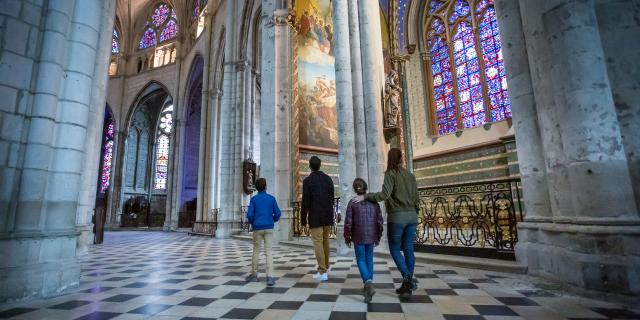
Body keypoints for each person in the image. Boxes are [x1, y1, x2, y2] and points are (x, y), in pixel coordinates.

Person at [353, 148, 420, 300]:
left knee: (395, 249)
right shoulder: (410, 175)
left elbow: (384, 195)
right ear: (401, 158)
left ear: (389, 159)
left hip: (397, 218)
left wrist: (366, 197)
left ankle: (408, 278)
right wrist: (414, 212)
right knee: (409, 249)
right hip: (412, 217)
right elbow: (417, 199)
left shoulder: (391, 174)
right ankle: (406, 288)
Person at [344, 178, 383, 303]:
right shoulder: (374, 203)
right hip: (371, 236)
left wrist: (347, 236)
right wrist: (379, 235)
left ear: (354, 189)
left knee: (360, 260)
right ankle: (368, 288)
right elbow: (380, 221)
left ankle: (368, 283)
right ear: (366, 188)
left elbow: (348, 223)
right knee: (369, 259)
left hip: (358, 236)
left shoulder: (352, 203)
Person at [300, 156, 335, 281]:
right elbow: (332, 198)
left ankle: (322, 271)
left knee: (318, 242)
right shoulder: (328, 179)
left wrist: (303, 220)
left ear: (310, 166)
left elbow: (305, 202)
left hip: (315, 216)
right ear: (320, 165)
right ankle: (325, 267)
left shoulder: (308, 181)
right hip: (327, 215)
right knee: (325, 241)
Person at [245, 178, 281, 286]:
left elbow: (250, 215)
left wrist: (254, 222)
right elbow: (278, 214)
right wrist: (271, 221)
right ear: (266, 186)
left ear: (256, 187)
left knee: (256, 251)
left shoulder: (254, 199)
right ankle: (270, 277)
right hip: (269, 228)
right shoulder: (271, 199)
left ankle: (254, 275)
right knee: (268, 252)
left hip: (257, 228)